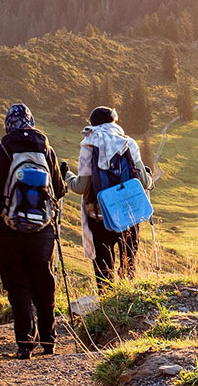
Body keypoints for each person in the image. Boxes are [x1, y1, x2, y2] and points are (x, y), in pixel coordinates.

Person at [0, 104, 66, 359]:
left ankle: (26, 343)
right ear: (31, 123)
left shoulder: (0, 151)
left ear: (8, 125)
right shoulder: (47, 151)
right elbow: (59, 190)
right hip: (42, 231)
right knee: (44, 283)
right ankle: (49, 340)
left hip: (7, 229)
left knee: (18, 285)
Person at [62, 106, 153, 292]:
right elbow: (144, 182)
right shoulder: (128, 143)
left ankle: (107, 303)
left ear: (93, 125)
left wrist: (67, 175)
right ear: (113, 122)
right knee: (129, 266)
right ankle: (129, 302)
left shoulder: (88, 146)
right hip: (129, 216)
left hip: (100, 217)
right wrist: (149, 176)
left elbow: (81, 187)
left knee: (104, 271)